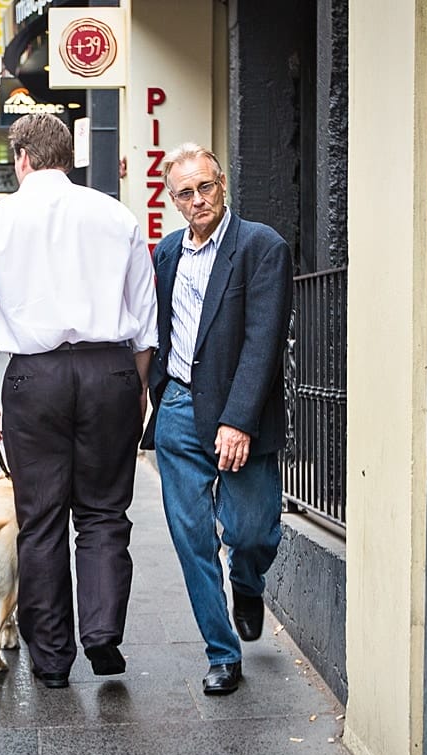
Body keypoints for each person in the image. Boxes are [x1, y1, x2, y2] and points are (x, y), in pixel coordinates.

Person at [0, 113, 158, 689]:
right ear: (67, 157)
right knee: (104, 512)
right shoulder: (116, 216)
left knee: (41, 520)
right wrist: (134, 384)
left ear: (21, 158)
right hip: (109, 370)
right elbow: (144, 317)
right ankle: (102, 634)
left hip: (34, 379)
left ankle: (51, 662)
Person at [140, 142, 294, 696]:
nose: (198, 199)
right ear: (172, 199)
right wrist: (151, 391)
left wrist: (239, 420)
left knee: (253, 530)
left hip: (238, 413)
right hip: (179, 408)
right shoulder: (165, 255)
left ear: (222, 184)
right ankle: (222, 651)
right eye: (186, 192)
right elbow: (155, 329)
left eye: (206, 186)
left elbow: (263, 342)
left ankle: (247, 583)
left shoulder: (261, 247)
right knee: (192, 537)